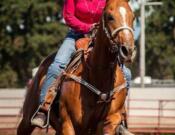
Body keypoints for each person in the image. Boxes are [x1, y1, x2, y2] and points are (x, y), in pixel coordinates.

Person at [31, 0, 133, 134]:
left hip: (101, 37)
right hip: (75, 35)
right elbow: (68, 17)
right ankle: (44, 108)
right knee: (57, 65)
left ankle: (120, 117)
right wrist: (87, 28)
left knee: (127, 73)